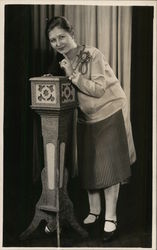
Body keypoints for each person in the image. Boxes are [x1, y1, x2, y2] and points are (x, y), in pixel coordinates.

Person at [45, 16, 136, 241]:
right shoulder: (63, 61)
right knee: (89, 165)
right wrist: (53, 81)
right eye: (53, 40)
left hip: (109, 110)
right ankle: (95, 211)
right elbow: (70, 89)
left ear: (72, 34)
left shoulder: (92, 54)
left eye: (62, 37)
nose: (58, 43)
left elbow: (97, 89)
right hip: (87, 117)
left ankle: (111, 218)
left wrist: (71, 76)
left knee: (109, 166)